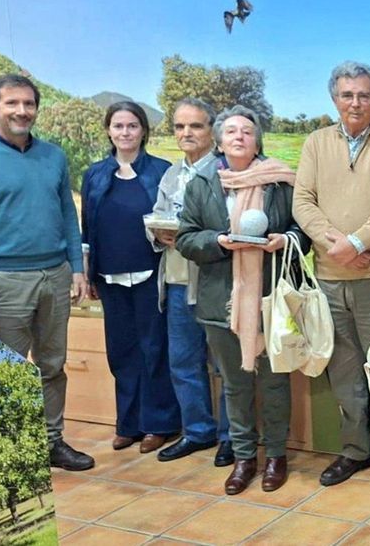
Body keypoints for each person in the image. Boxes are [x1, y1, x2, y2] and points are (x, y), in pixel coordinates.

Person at [0, 73, 95, 471]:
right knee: (8, 368)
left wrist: (77, 269)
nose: (21, 111)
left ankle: (51, 442)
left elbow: (67, 215)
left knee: (52, 364)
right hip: (3, 282)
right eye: (12, 103)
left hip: (55, 275)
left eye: (28, 104)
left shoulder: (53, 157)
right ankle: (8, 452)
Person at [293, 61, 370, 491]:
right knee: (343, 370)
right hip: (328, 277)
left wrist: (359, 244)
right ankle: (354, 451)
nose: (356, 102)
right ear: (334, 99)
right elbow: (302, 201)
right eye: (347, 95)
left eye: (364, 94)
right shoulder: (315, 143)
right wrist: (336, 246)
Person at [177, 105, 307, 495]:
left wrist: (285, 240)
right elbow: (186, 238)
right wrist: (218, 241)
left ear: (257, 140)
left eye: (247, 131)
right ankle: (244, 457)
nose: (239, 136)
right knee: (233, 385)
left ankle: (277, 456)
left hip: (271, 300)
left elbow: (304, 230)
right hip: (222, 304)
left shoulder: (281, 182)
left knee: (274, 383)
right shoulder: (203, 184)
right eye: (231, 131)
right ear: (218, 141)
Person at [81, 102, 179, 454]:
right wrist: (88, 272)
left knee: (155, 349)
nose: (125, 132)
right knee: (121, 352)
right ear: (109, 130)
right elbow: (87, 228)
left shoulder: (162, 171)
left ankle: (159, 424)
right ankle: (129, 424)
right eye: (118, 126)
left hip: (151, 274)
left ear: (143, 131)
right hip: (109, 276)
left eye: (132, 126)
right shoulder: (94, 174)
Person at [146, 98, 233, 466]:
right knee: (183, 362)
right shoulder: (170, 174)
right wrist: (159, 236)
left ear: (212, 130)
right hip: (177, 281)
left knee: (227, 365)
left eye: (195, 126)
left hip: (215, 283)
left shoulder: (226, 172)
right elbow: (159, 219)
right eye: (180, 126)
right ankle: (197, 431)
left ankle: (233, 436)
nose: (186, 133)